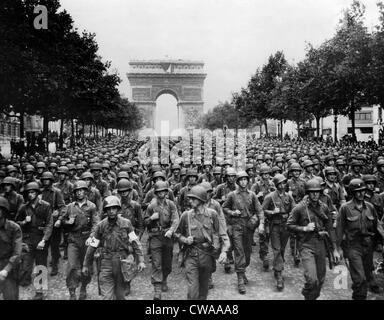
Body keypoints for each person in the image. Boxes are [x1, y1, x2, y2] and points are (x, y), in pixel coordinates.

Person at [82, 196, 145, 300]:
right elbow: (92, 246)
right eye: (109, 209)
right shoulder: (100, 226)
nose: (111, 211)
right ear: (106, 210)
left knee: (120, 295)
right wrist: (85, 264)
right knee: (106, 296)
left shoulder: (126, 223)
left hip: (121, 262)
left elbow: (135, 242)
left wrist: (141, 260)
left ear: (118, 209)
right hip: (106, 262)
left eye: (114, 208)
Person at [287, 179, 339, 300]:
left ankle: (310, 298)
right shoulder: (299, 208)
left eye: (317, 192)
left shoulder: (324, 207)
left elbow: (330, 229)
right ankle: (307, 294)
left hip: (321, 244)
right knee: (312, 279)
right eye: (312, 192)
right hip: (306, 244)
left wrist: (335, 249)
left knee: (320, 280)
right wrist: (305, 228)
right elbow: (289, 225)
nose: (315, 194)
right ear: (308, 193)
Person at [174, 185, 228, 300]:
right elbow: (177, 233)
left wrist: (224, 251)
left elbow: (222, 234)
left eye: (193, 198)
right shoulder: (186, 215)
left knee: (204, 290)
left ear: (201, 200)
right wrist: (185, 240)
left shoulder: (212, 214)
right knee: (192, 291)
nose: (190, 201)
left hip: (207, 256)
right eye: (190, 198)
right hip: (191, 255)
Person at [336, 179, 380, 299]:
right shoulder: (345, 208)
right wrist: (337, 248)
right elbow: (339, 229)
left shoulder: (370, 207)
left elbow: (378, 227)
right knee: (359, 278)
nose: (361, 194)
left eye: (363, 191)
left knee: (365, 276)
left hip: (368, 246)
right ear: (352, 193)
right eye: (357, 192)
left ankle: (358, 296)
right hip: (353, 246)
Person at [222, 171, 264, 294]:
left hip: (249, 227)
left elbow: (259, 210)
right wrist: (232, 213)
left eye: (245, 179)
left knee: (247, 253)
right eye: (241, 180)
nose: (243, 182)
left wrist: (260, 223)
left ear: (248, 181)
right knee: (239, 252)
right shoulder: (232, 195)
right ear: (238, 182)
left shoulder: (252, 195)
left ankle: (243, 270)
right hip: (237, 226)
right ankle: (240, 278)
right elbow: (224, 207)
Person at [56, 180, 99, 300]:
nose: (79, 193)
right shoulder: (69, 207)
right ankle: (72, 291)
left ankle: (84, 287)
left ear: (86, 192)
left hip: (87, 239)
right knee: (72, 266)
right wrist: (66, 222)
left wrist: (92, 236)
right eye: (77, 191)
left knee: (87, 266)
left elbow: (96, 224)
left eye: (82, 190)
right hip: (73, 239)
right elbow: (62, 221)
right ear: (74, 193)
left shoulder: (91, 206)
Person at [15, 182, 53, 300]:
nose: (30, 195)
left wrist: (44, 239)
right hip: (28, 239)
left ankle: (40, 291)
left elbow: (49, 224)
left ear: (37, 193)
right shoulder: (23, 207)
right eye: (28, 193)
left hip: (40, 238)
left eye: (32, 192)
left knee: (40, 265)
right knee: (26, 265)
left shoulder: (45, 206)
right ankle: (23, 281)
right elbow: (16, 223)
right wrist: (24, 222)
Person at [144, 181, 179, 300]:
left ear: (166, 192)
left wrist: (172, 230)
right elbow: (144, 222)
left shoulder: (171, 204)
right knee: (156, 263)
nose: (161, 193)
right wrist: (151, 219)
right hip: (155, 237)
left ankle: (164, 279)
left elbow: (175, 219)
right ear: (155, 193)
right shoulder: (151, 206)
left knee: (167, 264)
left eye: (163, 191)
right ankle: (157, 289)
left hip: (167, 237)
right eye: (158, 192)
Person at [262, 174, 295, 291]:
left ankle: (277, 267)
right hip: (274, 225)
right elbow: (262, 210)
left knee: (282, 249)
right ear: (276, 185)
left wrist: (290, 216)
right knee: (276, 249)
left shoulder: (289, 196)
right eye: (279, 184)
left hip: (285, 226)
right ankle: (279, 274)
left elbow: (294, 209)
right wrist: (272, 212)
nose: (282, 185)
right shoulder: (270, 197)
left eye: (283, 183)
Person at [0, 196, 22, 300]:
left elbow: (17, 253)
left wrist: (6, 269)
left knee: (10, 296)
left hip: (9, 266)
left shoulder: (14, 228)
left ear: (4, 211)